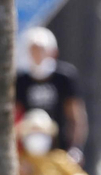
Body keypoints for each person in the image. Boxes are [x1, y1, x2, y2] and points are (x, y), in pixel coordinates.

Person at [14, 26, 87, 159]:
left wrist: (76, 147)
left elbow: (76, 115)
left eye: (41, 50)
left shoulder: (64, 78)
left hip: (60, 150)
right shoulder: (21, 81)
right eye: (33, 50)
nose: (37, 55)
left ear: (53, 52)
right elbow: (15, 116)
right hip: (28, 153)